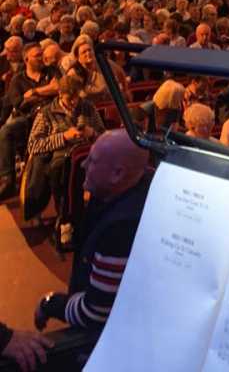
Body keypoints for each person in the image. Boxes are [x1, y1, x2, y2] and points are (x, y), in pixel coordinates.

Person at [34, 130, 150, 334]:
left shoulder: (122, 228)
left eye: (93, 160)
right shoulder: (120, 191)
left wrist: (50, 302)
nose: (83, 164)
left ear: (117, 174)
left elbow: (95, 313)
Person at [26, 73, 105, 225]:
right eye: (70, 98)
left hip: (87, 153)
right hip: (61, 157)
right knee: (61, 168)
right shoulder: (47, 113)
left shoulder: (87, 107)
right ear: (60, 94)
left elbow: (104, 137)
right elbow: (33, 145)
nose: (75, 102)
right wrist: (64, 137)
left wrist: (92, 133)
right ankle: (64, 216)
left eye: (77, 97)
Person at [0, 43, 59, 200]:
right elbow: (19, 103)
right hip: (28, 119)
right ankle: (8, 179)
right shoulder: (17, 80)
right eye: (37, 55)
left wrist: (34, 92)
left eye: (42, 54)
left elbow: (59, 88)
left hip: (53, 116)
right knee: (6, 131)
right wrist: (48, 91)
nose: (42, 58)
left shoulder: (52, 71)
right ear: (27, 59)